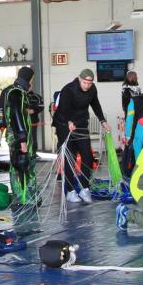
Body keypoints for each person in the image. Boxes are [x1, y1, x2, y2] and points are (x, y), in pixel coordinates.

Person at [54, 68, 108, 203]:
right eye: (85, 83)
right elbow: (62, 110)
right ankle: (70, 191)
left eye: (90, 83)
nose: (87, 86)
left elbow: (95, 104)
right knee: (70, 158)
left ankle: (85, 188)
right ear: (79, 79)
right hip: (64, 124)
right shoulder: (68, 89)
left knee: (88, 156)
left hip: (81, 123)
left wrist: (102, 121)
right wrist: (68, 122)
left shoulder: (92, 89)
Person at [2, 67, 38, 221]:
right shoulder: (16, 93)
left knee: (23, 165)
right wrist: (22, 139)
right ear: (28, 78)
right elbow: (17, 116)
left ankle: (27, 196)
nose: (32, 82)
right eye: (32, 79)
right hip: (18, 137)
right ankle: (23, 198)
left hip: (19, 136)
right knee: (20, 166)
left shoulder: (17, 92)